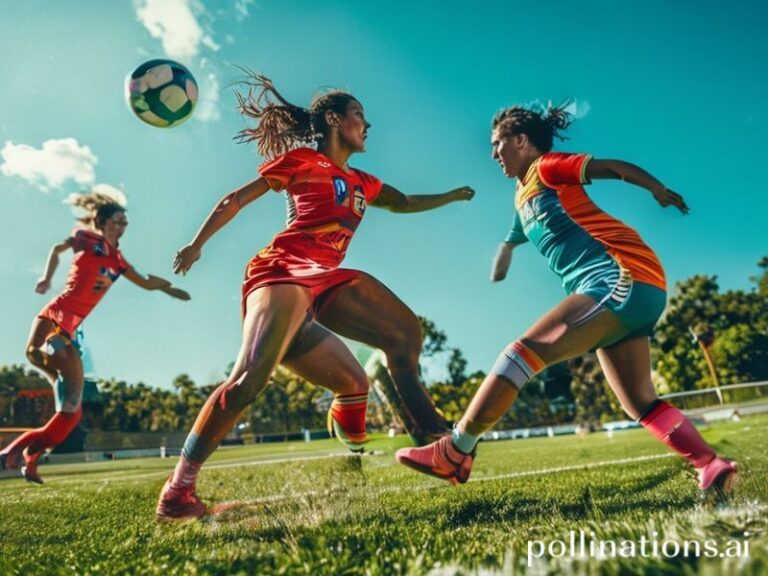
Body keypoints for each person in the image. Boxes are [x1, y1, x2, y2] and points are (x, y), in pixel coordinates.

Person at [155, 74, 474, 520]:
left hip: (322, 282)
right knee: (248, 381)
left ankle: (433, 438)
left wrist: (452, 196)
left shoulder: (363, 181)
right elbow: (235, 199)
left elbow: (403, 202)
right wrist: (197, 243)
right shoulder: (303, 160)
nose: (367, 124)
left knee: (384, 353)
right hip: (283, 272)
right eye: (359, 114)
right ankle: (178, 492)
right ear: (332, 119)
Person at [396, 103, 738, 498]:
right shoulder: (523, 192)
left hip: (618, 276)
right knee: (639, 402)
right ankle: (710, 465)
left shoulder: (548, 166)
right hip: (627, 291)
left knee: (520, 353)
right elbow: (521, 225)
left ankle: (455, 451)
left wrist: (656, 189)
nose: (493, 154)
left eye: (498, 144)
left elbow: (612, 167)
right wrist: (506, 249)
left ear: (521, 141)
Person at [0, 191, 190, 483]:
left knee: (71, 415)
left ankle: (30, 460)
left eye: (126, 221)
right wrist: (46, 277)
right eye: (118, 220)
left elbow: (146, 282)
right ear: (102, 221)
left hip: (69, 329)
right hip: (56, 315)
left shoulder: (118, 260)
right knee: (35, 356)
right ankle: (10, 454)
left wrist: (168, 289)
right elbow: (57, 249)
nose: (123, 225)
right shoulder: (86, 238)